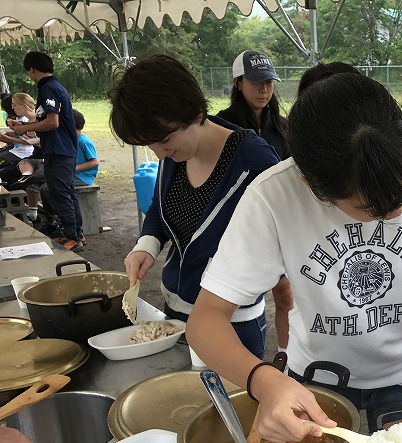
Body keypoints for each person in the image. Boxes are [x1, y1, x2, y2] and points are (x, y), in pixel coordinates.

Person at [186, 72, 402, 442]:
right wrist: (265, 380)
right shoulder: (274, 196)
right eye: (372, 208)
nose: (398, 213)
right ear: (310, 183)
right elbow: (205, 320)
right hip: (320, 377)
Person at [109, 54, 281, 359]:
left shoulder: (254, 162)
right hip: (174, 312)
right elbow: (160, 209)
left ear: (195, 111)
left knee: (229, 403)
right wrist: (146, 245)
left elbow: (281, 246)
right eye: (150, 146)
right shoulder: (175, 153)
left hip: (231, 324)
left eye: (163, 140)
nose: (159, 154)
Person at [217, 50, 292, 353]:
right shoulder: (221, 126)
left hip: (280, 226)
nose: (264, 89)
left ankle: (288, 362)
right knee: (239, 301)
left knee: (286, 296)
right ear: (237, 83)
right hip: (239, 226)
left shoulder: (284, 127)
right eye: (256, 82)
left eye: (269, 82)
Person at [11, 51, 83, 252]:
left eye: (29, 71)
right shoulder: (53, 87)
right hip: (61, 148)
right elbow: (48, 121)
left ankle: (72, 236)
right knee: (66, 191)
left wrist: (23, 128)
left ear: (32, 70)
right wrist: (29, 126)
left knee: (60, 193)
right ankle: (77, 232)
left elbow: (53, 122)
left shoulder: (48, 88)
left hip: (59, 150)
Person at [36, 109, 99, 231]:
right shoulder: (70, 139)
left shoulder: (83, 141)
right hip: (70, 173)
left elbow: (94, 162)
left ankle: (61, 221)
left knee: (51, 189)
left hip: (83, 177)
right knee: (45, 186)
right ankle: (51, 220)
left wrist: (73, 168)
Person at [0, 93, 38, 169]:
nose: (13, 108)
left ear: (24, 106)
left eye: (14, 105)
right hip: (22, 152)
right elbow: (28, 139)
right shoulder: (23, 120)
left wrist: (7, 138)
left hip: (24, 153)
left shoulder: (29, 119)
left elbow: (32, 141)